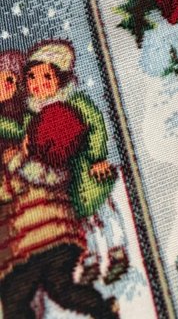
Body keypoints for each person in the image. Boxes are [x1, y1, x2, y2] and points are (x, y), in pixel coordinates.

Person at [0, 41, 119, 318]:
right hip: (29, 241)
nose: (38, 84)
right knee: (37, 294)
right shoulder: (25, 121)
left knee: (34, 294)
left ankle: (105, 310)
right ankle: (104, 310)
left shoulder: (42, 121)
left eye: (10, 79)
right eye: (32, 77)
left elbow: (28, 175)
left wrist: (96, 157)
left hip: (40, 234)